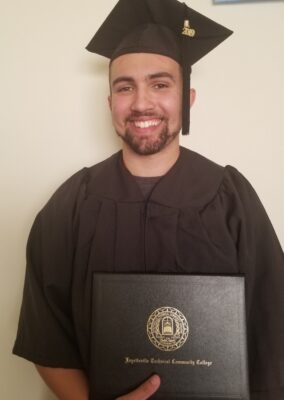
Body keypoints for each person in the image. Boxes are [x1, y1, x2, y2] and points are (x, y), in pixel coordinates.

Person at [13, 0, 284, 399]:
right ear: (110, 104)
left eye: (160, 84)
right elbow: (47, 337)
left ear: (187, 99)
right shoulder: (70, 205)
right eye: (125, 87)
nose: (141, 103)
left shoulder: (230, 198)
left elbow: (273, 330)